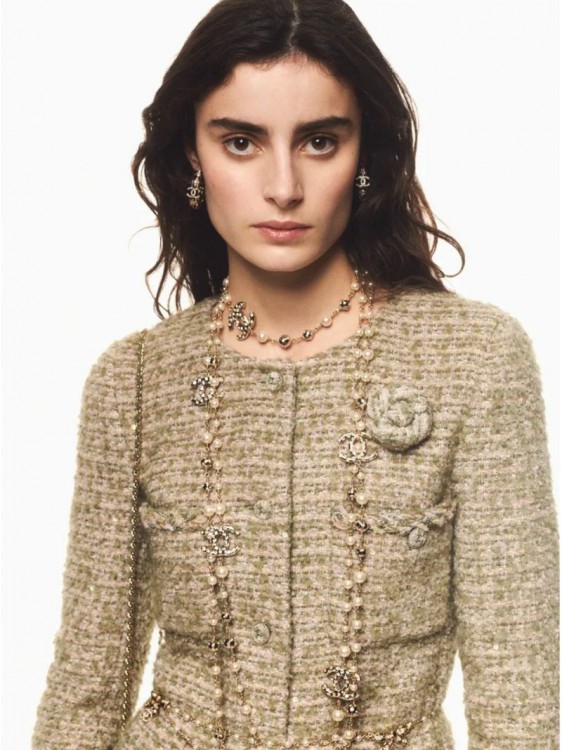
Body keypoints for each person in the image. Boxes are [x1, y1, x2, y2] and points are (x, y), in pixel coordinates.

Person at [31, 1, 559, 748]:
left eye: (319, 141)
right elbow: (87, 685)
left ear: (365, 153)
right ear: (192, 157)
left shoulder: (475, 359)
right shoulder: (134, 382)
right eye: (241, 142)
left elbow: (520, 695)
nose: (283, 186)